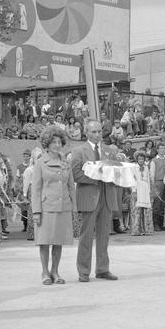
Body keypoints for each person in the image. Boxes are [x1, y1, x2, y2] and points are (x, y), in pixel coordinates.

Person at [71, 119, 119, 282]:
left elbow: (116, 173)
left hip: (107, 197)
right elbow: (75, 174)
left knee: (104, 235)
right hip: (89, 196)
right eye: (94, 132)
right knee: (86, 236)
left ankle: (102, 269)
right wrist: (96, 178)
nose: (97, 134)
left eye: (99, 131)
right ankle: (83, 271)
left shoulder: (109, 151)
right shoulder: (78, 151)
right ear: (86, 132)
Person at [31, 126, 76, 285]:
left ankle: (55, 271)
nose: (57, 145)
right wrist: (36, 211)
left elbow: (71, 186)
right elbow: (35, 189)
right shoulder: (40, 163)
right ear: (47, 143)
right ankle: (44, 272)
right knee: (44, 241)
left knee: (58, 241)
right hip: (46, 208)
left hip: (63, 206)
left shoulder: (66, 162)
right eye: (53, 142)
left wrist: (74, 208)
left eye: (59, 142)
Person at [130, 150, 154, 236]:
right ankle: (136, 230)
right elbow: (132, 180)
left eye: (142, 159)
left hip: (145, 189)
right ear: (137, 159)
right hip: (137, 189)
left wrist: (149, 191)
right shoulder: (133, 168)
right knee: (136, 210)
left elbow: (148, 179)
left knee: (146, 210)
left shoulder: (146, 168)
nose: (141, 161)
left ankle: (146, 229)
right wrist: (133, 191)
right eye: (139, 159)